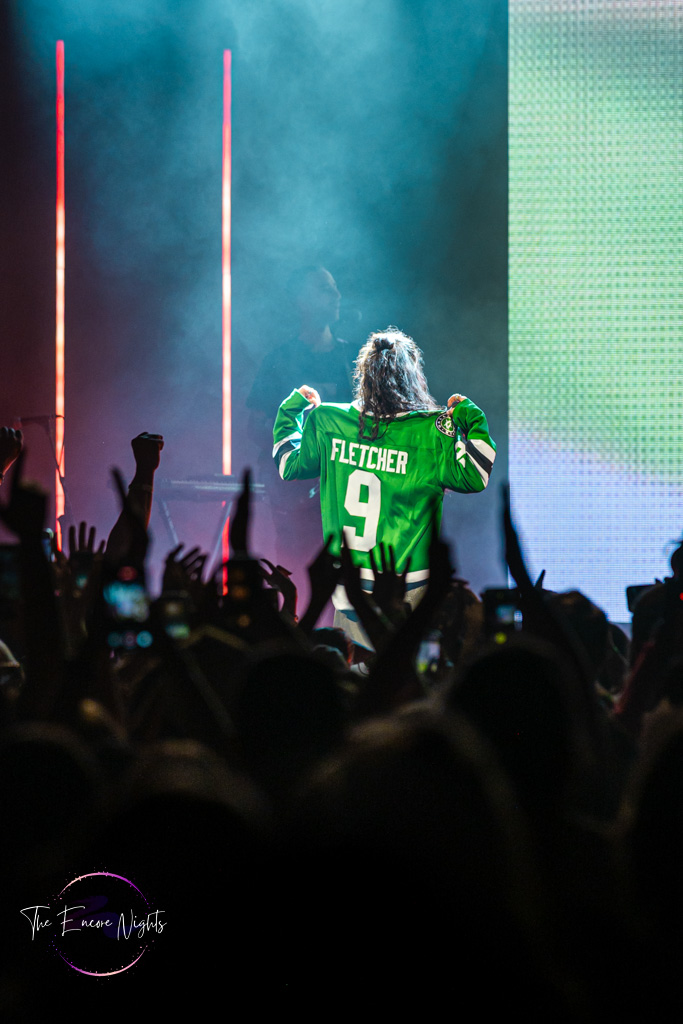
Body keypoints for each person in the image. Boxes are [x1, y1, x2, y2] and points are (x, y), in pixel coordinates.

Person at [272, 326, 496, 646]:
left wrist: (292, 409)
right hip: (412, 589)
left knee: (349, 672)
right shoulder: (432, 430)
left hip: (348, 587)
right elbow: (476, 475)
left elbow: (288, 465)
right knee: (404, 672)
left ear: (364, 375)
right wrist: (470, 416)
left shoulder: (327, 420)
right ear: (412, 375)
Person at [247, 266, 353, 609]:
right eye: (324, 288)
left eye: (334, 287)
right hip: (295, 499)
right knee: (299, 576)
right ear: (300, 301)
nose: (336, 295)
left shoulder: (354, 360)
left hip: (347, 497)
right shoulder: (279, 360)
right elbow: (255, 425)